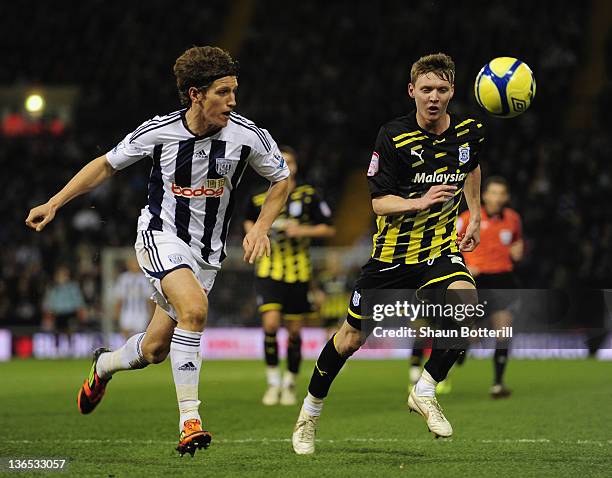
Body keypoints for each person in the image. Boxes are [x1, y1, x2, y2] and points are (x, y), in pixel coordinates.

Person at [25, 46, 290, 456]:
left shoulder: (248, 136)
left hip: (207, 254)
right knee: (195, 311)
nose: (233, 101)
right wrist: (55, 202)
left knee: (153, 351)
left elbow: (281, 180)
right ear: (195, 94)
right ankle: (190, 420)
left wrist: (262, 225)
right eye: (223, 92)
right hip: (161, 235)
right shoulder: (159, 131)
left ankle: (103, 366)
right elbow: (106, 164)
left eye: (234, 91)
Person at [292, 53, 485, 454]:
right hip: (391, 258)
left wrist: (476, 216)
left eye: (442, 89)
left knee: (467, 306)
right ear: (412, 91)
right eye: (426, 89)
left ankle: (426, 390)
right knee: (348, 341)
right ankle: (309, 414)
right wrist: (420, 202)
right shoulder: (394, 136)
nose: (434, 97)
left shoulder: (468, 131)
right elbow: (378, 204)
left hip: (440, 250)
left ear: (452, 92)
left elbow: (472, 166)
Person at [244, 146, 335, 406]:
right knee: (271, 324)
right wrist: (262, 231)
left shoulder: (309, 195)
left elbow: (328, 229)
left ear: (296, 166)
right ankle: (273, 383)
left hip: (299, 271)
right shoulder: (259, 197)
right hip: (269, 270)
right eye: (281, 161)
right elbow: (248, 224)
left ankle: (290, 383)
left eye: (290, 162)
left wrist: (302, 231)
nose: (286, 165)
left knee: (295, 333)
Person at [456, 176, 523, 398]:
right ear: (484, 195)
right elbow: (451, 247)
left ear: (507, 197)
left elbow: (516, 241)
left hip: (502, 280)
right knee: (471, 334)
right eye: (493, 193)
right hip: (476, 280)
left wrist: (517, 250)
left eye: (501, 193)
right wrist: (466, 266)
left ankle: (497, 383)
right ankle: (461, 348)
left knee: (503, 331)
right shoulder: (467, 218)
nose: (497, 197)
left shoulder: (513, 219)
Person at [113, 256, 155, 338]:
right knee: (126, 337)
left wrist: (151, 315)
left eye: (136, 263)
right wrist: (117, 314)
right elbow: (119, 298)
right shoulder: (123, 278)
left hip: (141, 313)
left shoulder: (145, 278)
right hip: (126, 312)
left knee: (140, 337)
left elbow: (150, 300)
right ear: (128, 264)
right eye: (132, 263)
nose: (134, 265)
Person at [42, 265, 86, 334]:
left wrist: (81, 314)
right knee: (49, 326)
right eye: (59, 274)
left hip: (71, 314)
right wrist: (48, 316)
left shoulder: (73, 287)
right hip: (56, 315)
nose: (61, 277)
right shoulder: (51, 288)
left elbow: (79, 303)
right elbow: (47, 305)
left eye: (64, 274)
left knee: (72, 328)